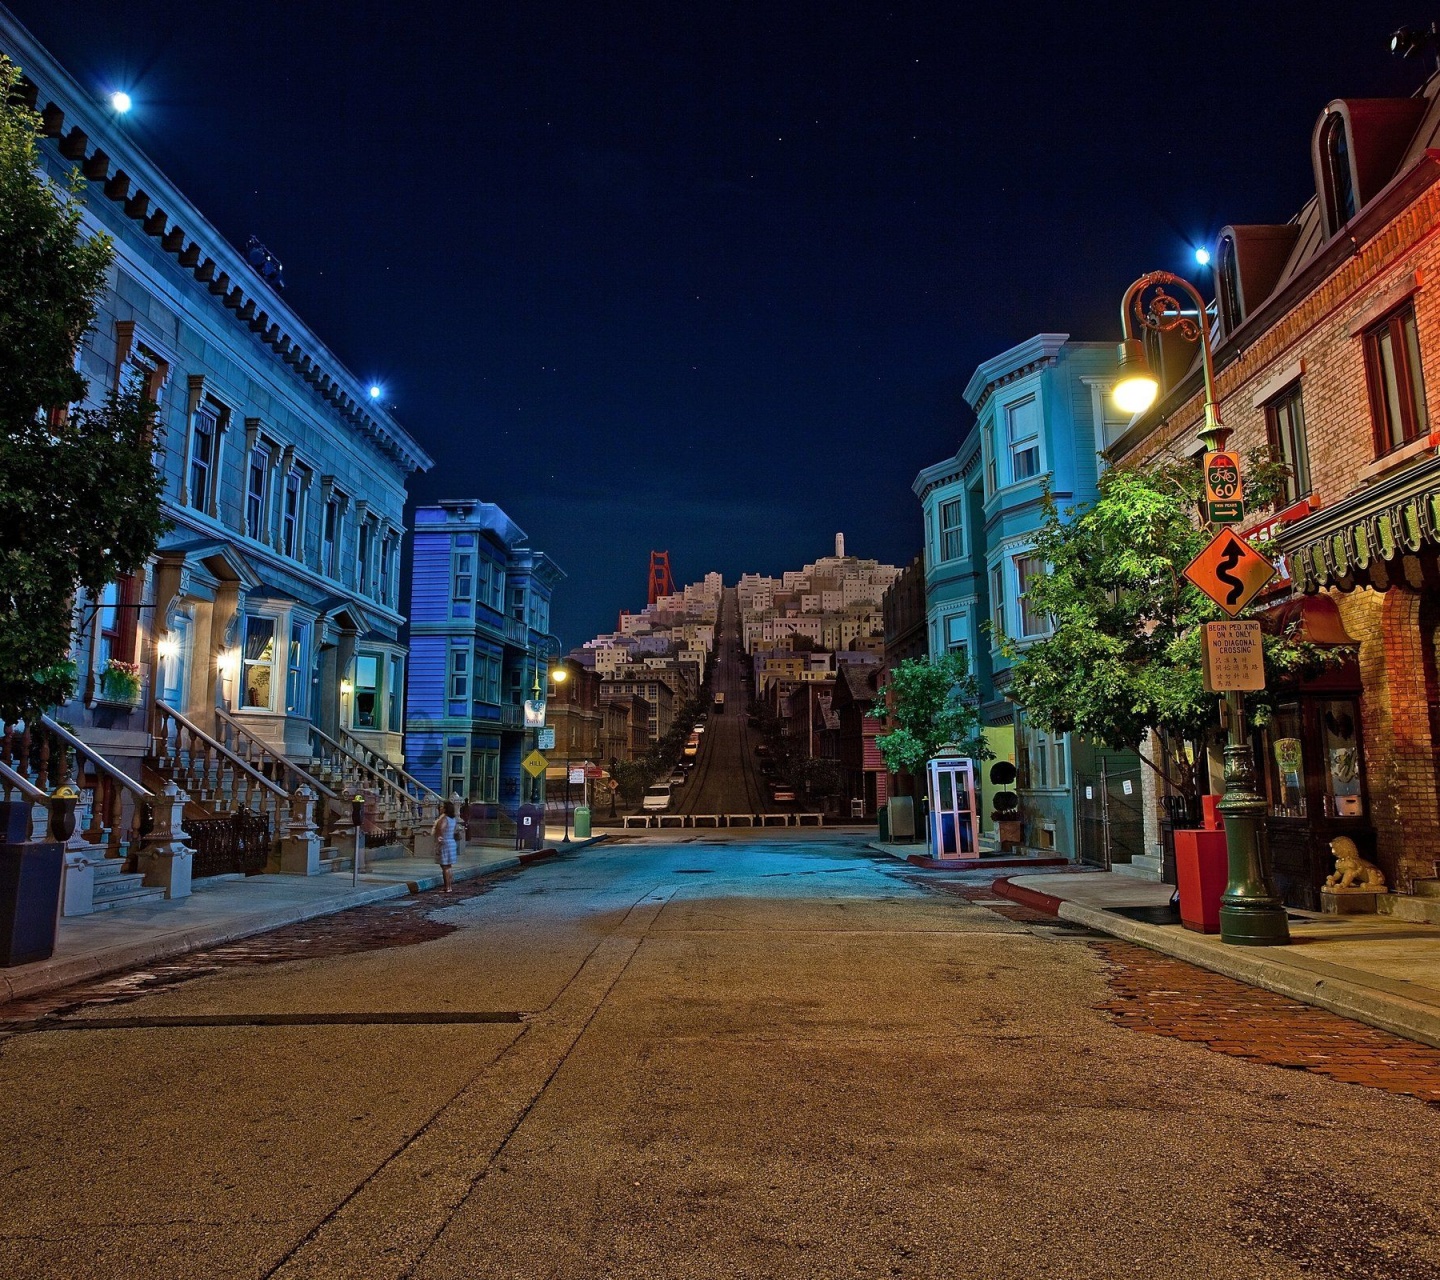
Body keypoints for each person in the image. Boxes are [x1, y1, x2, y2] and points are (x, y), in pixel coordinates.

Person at [433, 800, 458, 893]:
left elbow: (441, 829)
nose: (440, 808)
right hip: (451, 842)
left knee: (445, 866)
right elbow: (455, 831)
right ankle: (449, 886)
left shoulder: (444, 819)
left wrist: (438, 836)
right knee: (449, 866)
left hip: (445, 843)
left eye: (442, 807)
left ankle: (447, 887)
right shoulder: (453, 819)